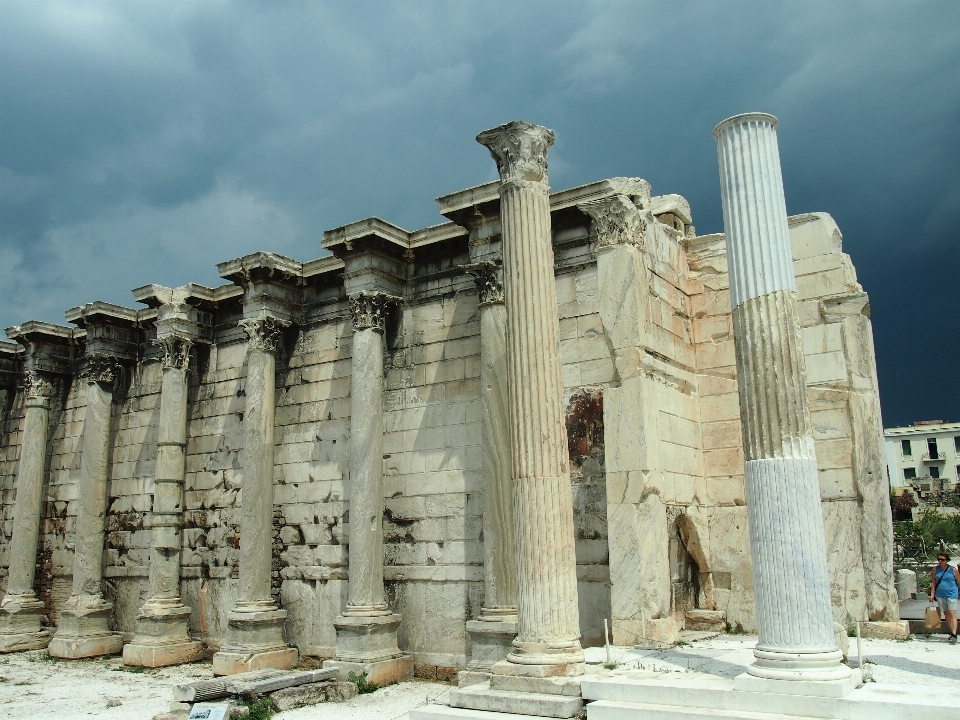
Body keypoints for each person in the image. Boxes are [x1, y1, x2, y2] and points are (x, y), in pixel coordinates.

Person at [929, 552, 960, 644]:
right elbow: (933, 582)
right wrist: (932, 594)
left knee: (952, 612)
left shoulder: (952, 569)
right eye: (938, 559)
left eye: (942, 559)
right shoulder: (935, 569)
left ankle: (954, 634)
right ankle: (952, 632)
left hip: (952, 594)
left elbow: (959, 582)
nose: (940, 561)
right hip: (940, 594)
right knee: (946, 614)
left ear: (946, 560)